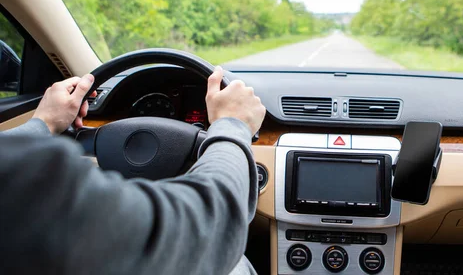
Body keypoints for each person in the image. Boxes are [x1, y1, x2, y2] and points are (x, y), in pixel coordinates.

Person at [0, 66, 266, 275]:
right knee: (233, 265)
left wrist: (42, 124)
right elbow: (206, 230)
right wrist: (232, 126)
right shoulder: (30, 183)